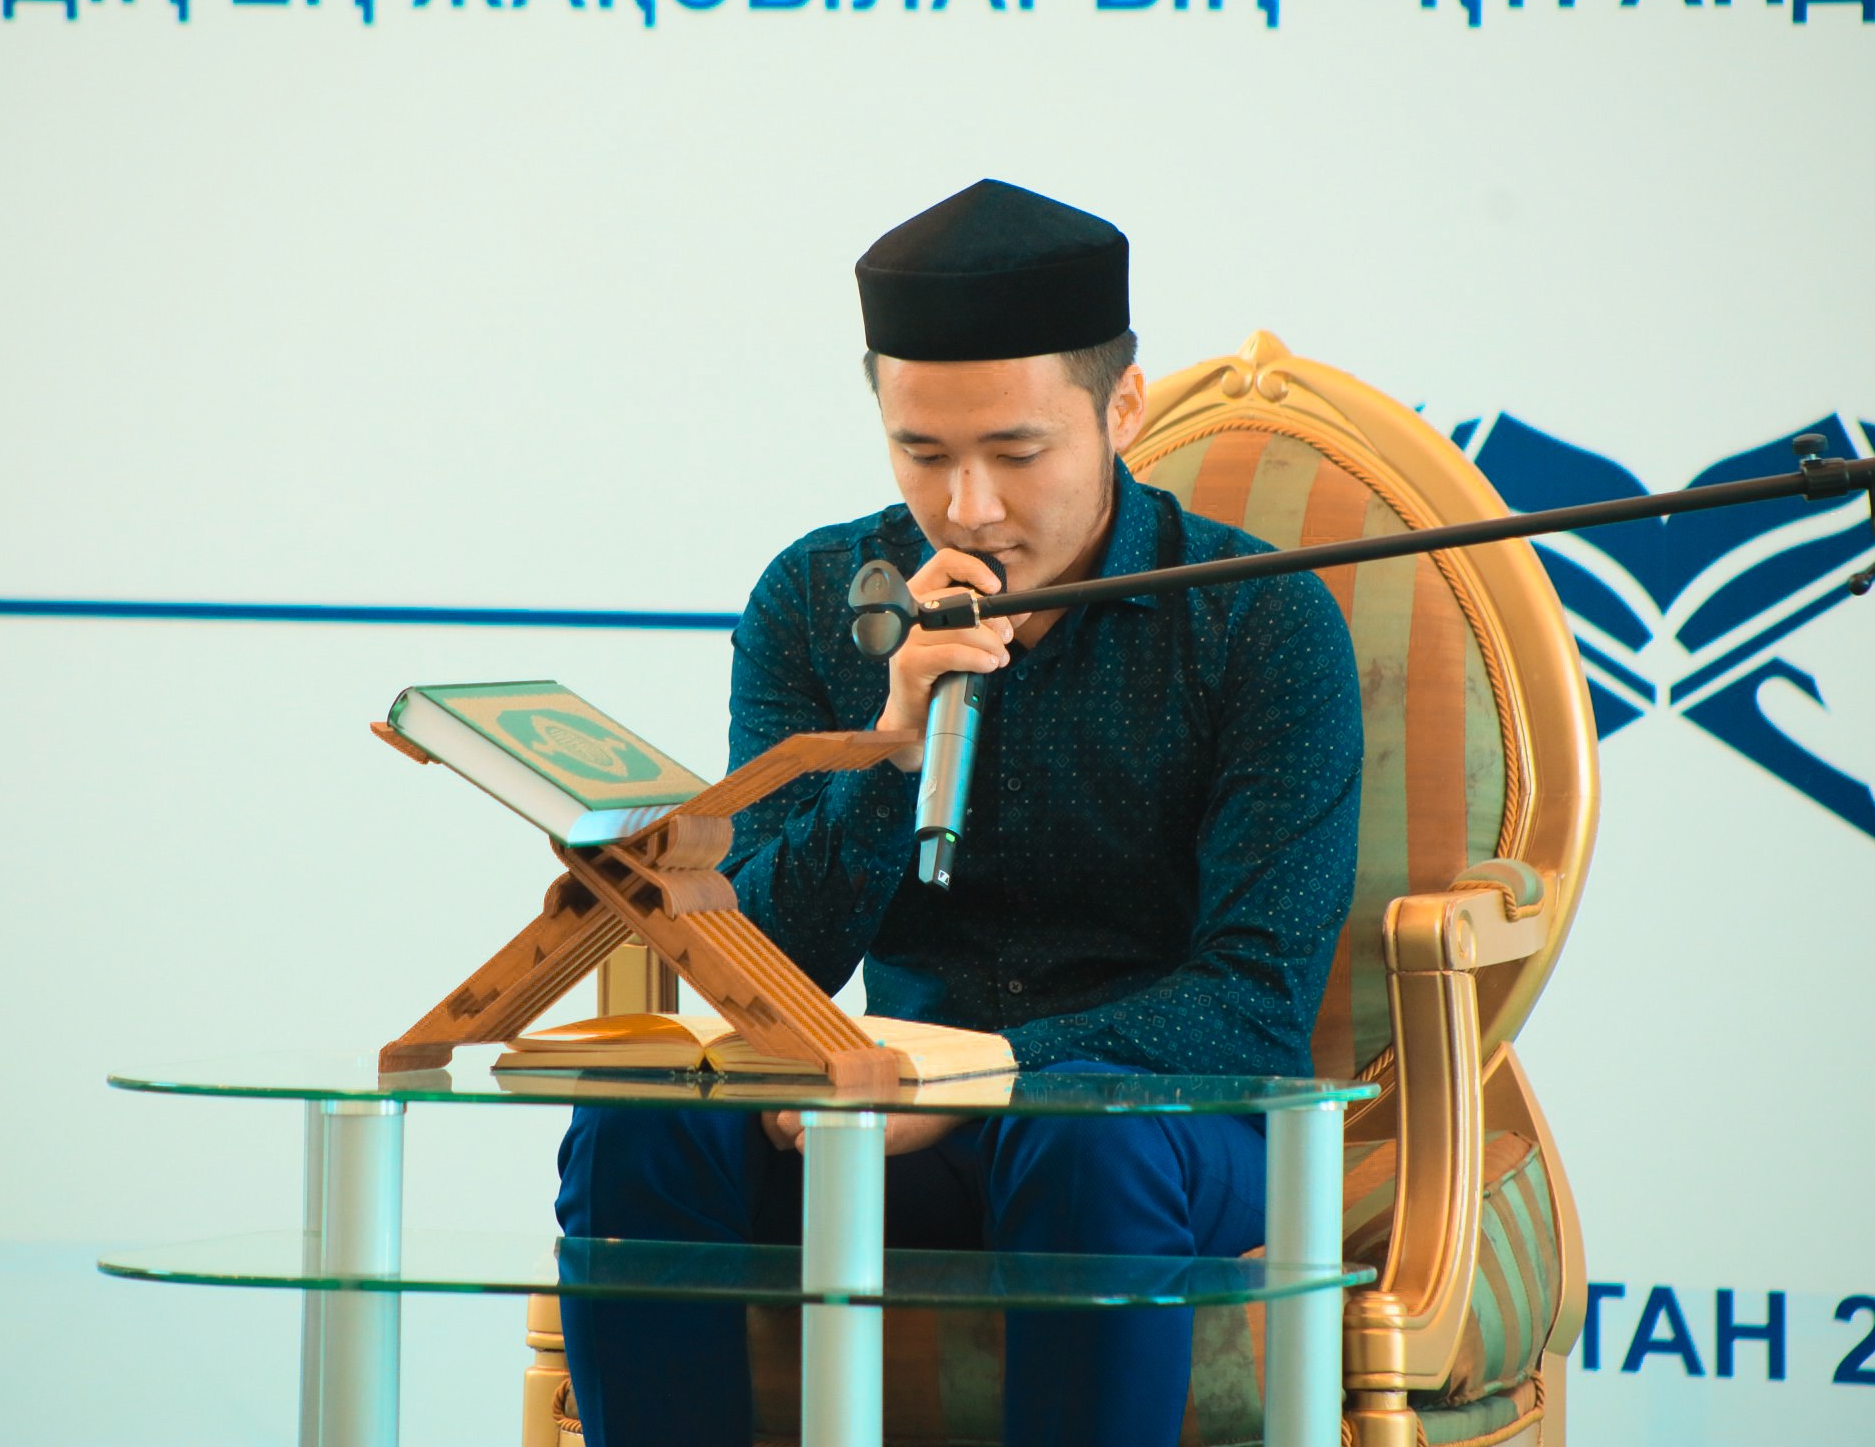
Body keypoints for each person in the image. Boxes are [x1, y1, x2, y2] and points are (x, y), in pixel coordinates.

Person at [555, 179, 1362, 1447]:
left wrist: (988, 1075)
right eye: (923, 454)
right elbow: (756, 957)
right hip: (886, 1114)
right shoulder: (817, 596)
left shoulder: (1260, 620)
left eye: (1018, 454)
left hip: (1161, 1136)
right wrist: (889, 752)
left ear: (1123, 409)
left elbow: (1254, 1000)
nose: (968, 506)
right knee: (639, 1127)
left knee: (1083, 1143)